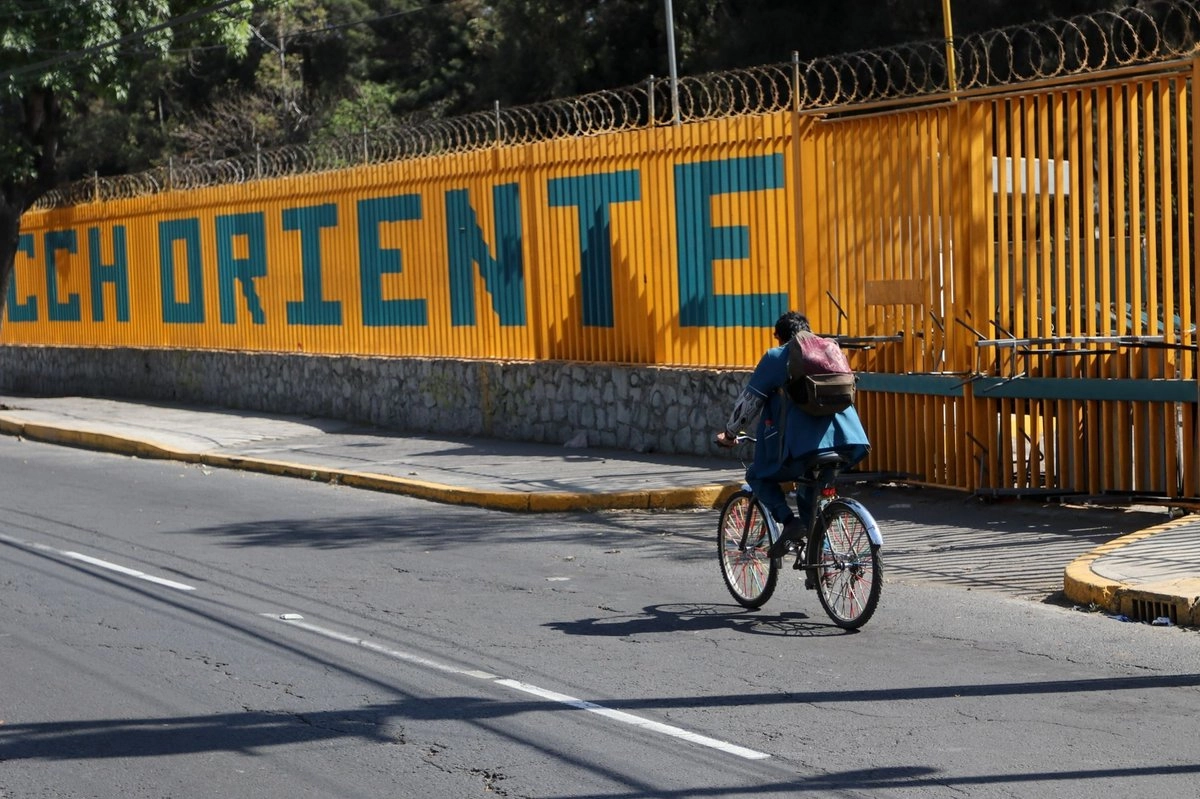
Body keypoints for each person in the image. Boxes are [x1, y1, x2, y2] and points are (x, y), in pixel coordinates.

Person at [715, 311, 871, 558]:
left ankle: (789, 523)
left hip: (802, 449)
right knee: (812, 493)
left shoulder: (777, 357)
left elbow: (749, 403)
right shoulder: (831, 351)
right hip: (847, 443)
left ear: (778, 336)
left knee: (756, 475)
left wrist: (730, 433)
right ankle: (820, 558)